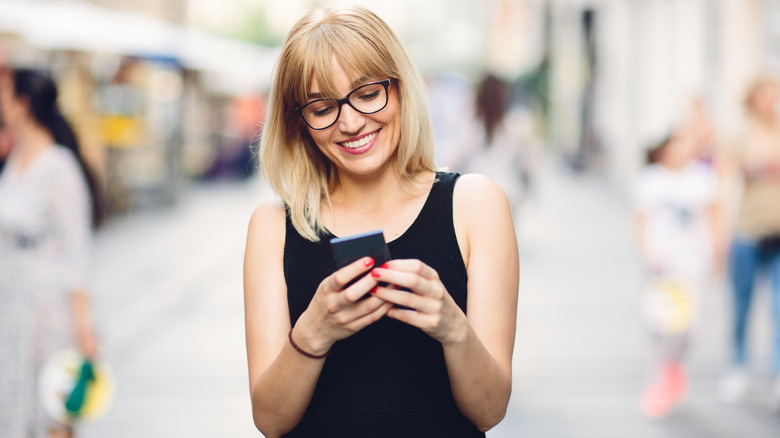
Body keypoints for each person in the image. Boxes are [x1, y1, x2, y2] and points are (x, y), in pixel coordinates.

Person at [243, 5, 519, 438]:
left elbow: (489, 410)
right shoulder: (272, 226)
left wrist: (452, 327)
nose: (351, 123)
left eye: (368, 93)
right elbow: (271, 421)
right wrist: (313, 333)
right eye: (321, 107)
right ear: (299, 123)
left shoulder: (475, 204)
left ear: (401, 87)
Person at [0, 69, 101, 438]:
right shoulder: (15, 161)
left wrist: (83, 326)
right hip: (11, 309)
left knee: (52, 414)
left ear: (23, 106)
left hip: (47, 311)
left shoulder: (59, 167)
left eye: (8, 96)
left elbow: (77, 250)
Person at [633, 130, 721, 418]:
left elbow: (714, 216)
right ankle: (658, 382)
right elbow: (640, 221)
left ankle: (675, 368)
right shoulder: (651, 179)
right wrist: (649, 254)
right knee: (661, 325)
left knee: (689, 327)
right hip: (660, 267)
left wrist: (717, 253)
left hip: (692, 265)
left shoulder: (702, 179)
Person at [718, 75, 780, 410]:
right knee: (742, 306)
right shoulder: (741, 138)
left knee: (779, 308)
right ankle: (738, 366)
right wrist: (720, 234)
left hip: (778, 231)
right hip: (748, 231)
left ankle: (777, 374)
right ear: (753, 99)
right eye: (768, 95)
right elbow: (724, 184)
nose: (773, 102)